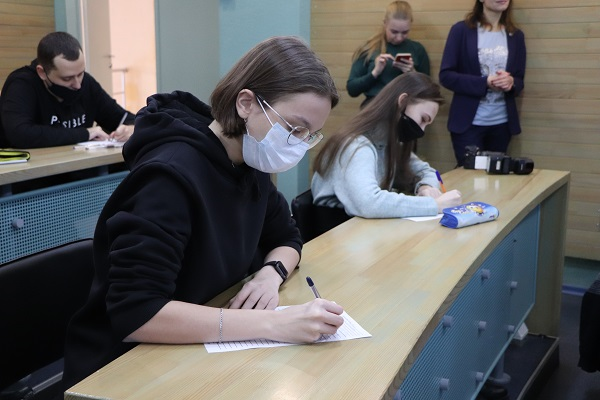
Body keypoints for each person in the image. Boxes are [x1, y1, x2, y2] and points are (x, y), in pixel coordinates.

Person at [62, 36, 344, 389]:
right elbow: (136, 312)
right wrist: (276, 324)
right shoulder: (169, 176)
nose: (298, 144)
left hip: (201, 346)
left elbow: (287, 237)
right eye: (293, 128)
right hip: (125, 369)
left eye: (309, 135)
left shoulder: (251, 161)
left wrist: (270, 274)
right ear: (246, 103)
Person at [311, 72, 462, 219]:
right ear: (403, 101)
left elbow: (427, 171)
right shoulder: (356, 145)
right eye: (423, 119)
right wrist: (434, 205)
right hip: (336, 229)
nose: (421, 130)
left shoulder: (390, 142)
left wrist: (426, 187)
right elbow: (368, 203)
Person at [0, 31, 135, 149]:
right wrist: (86, 133)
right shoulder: (22, 84)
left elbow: (124, 118)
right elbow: (20, 134)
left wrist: (130, 129)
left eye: (80, 74)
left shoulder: (86, 83)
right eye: (67, 78)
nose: (77, 85)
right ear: (42, 73)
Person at [439, 0, 526, 167]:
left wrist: (511, 82)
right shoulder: (461, 30)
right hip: (468, 124)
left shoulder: (516, 36)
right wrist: (484, 83)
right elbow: (446, 76)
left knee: (496, 177)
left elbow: (520, 80)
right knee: (470, 176)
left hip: (502, 124)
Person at [347, 1, 431, 109]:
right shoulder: (369, 49)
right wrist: (375, 73)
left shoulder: (417, 49)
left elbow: (428, 91)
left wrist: (412, 73)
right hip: (374, 109)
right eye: (394, 32)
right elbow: (352, 90)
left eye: (405, 32)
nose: (399, 38)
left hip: (406, 109)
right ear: (385, 23)